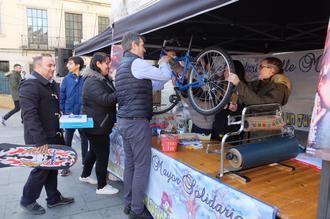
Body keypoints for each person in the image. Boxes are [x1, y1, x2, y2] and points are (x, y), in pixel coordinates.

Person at [115, 32, 172, 219]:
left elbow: (142, 87)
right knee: (141, 166)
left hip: (124, 121)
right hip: (136, 122)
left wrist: (154, 85)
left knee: (130, 164)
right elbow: (164, 76)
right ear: (133, 46)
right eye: (142, 45)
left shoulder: (121, 67)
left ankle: (129, 203)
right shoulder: (137, 63)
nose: (144, 49)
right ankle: (137, 210)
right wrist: (164, 61)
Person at [19, 54, 74, 215]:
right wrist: (40, 141)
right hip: (41, 138)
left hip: (54, 134)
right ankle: (27, 200)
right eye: (49, 66)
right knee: (41, 170)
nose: (52, 69)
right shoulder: (30, 85)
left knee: (53, 167)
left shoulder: (49, 85)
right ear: (37, 67)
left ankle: (53, 198)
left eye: (53, 66)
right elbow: (30, 115)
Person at [79, 52, 119, 195]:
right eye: (106, 63)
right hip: (97, 125)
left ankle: (85, 175)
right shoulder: (92, 81)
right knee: (102, 154)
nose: (109, 65)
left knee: (94, 152)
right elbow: (105, 99)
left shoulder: (102, 79)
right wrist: (122, 91)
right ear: (98, 64)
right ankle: (102, 186)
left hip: (99, 123)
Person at [228, 57, 292, 141]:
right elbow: (244, 90)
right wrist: (234, 101)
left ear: (271, 70)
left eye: (261, 67)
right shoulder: (260, 83)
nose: (258, 70)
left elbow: (261, 104)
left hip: (264, 137)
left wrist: (238, 83)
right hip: (250, 133)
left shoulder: (279, 88)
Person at [59, 56, 88, 176]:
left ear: (78, 65)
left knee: (84, 139)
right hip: (69, 114)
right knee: (67, 140)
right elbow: (62, 95)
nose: (67, 65)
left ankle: (86, 163)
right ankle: (66, 165)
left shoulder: (85, 78)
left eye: (70, 63)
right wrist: (62, 110)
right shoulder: (66, 79)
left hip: (82, 114)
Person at [212, 60, 246, 142]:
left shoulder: (243, 88)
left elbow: (247, 111)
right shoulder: (220, 86)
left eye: (228, 70)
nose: (225, 73)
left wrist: (236, 109)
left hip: (232, 133)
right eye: (225, 70)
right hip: (217, 129)